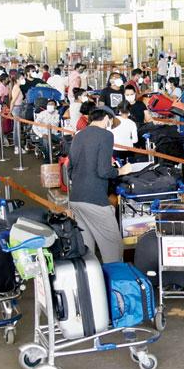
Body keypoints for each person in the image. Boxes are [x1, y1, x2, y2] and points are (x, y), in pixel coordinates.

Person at [69, 108, 126, 261]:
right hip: (94, 199)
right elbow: (103, 171)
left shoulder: (78, 135)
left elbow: (69, 168)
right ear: (106, 118)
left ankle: (91, 283)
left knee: (87, 252)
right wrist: (121, 171)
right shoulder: (106, 135)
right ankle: (114, 284)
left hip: (76, 197)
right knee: (113, 247)